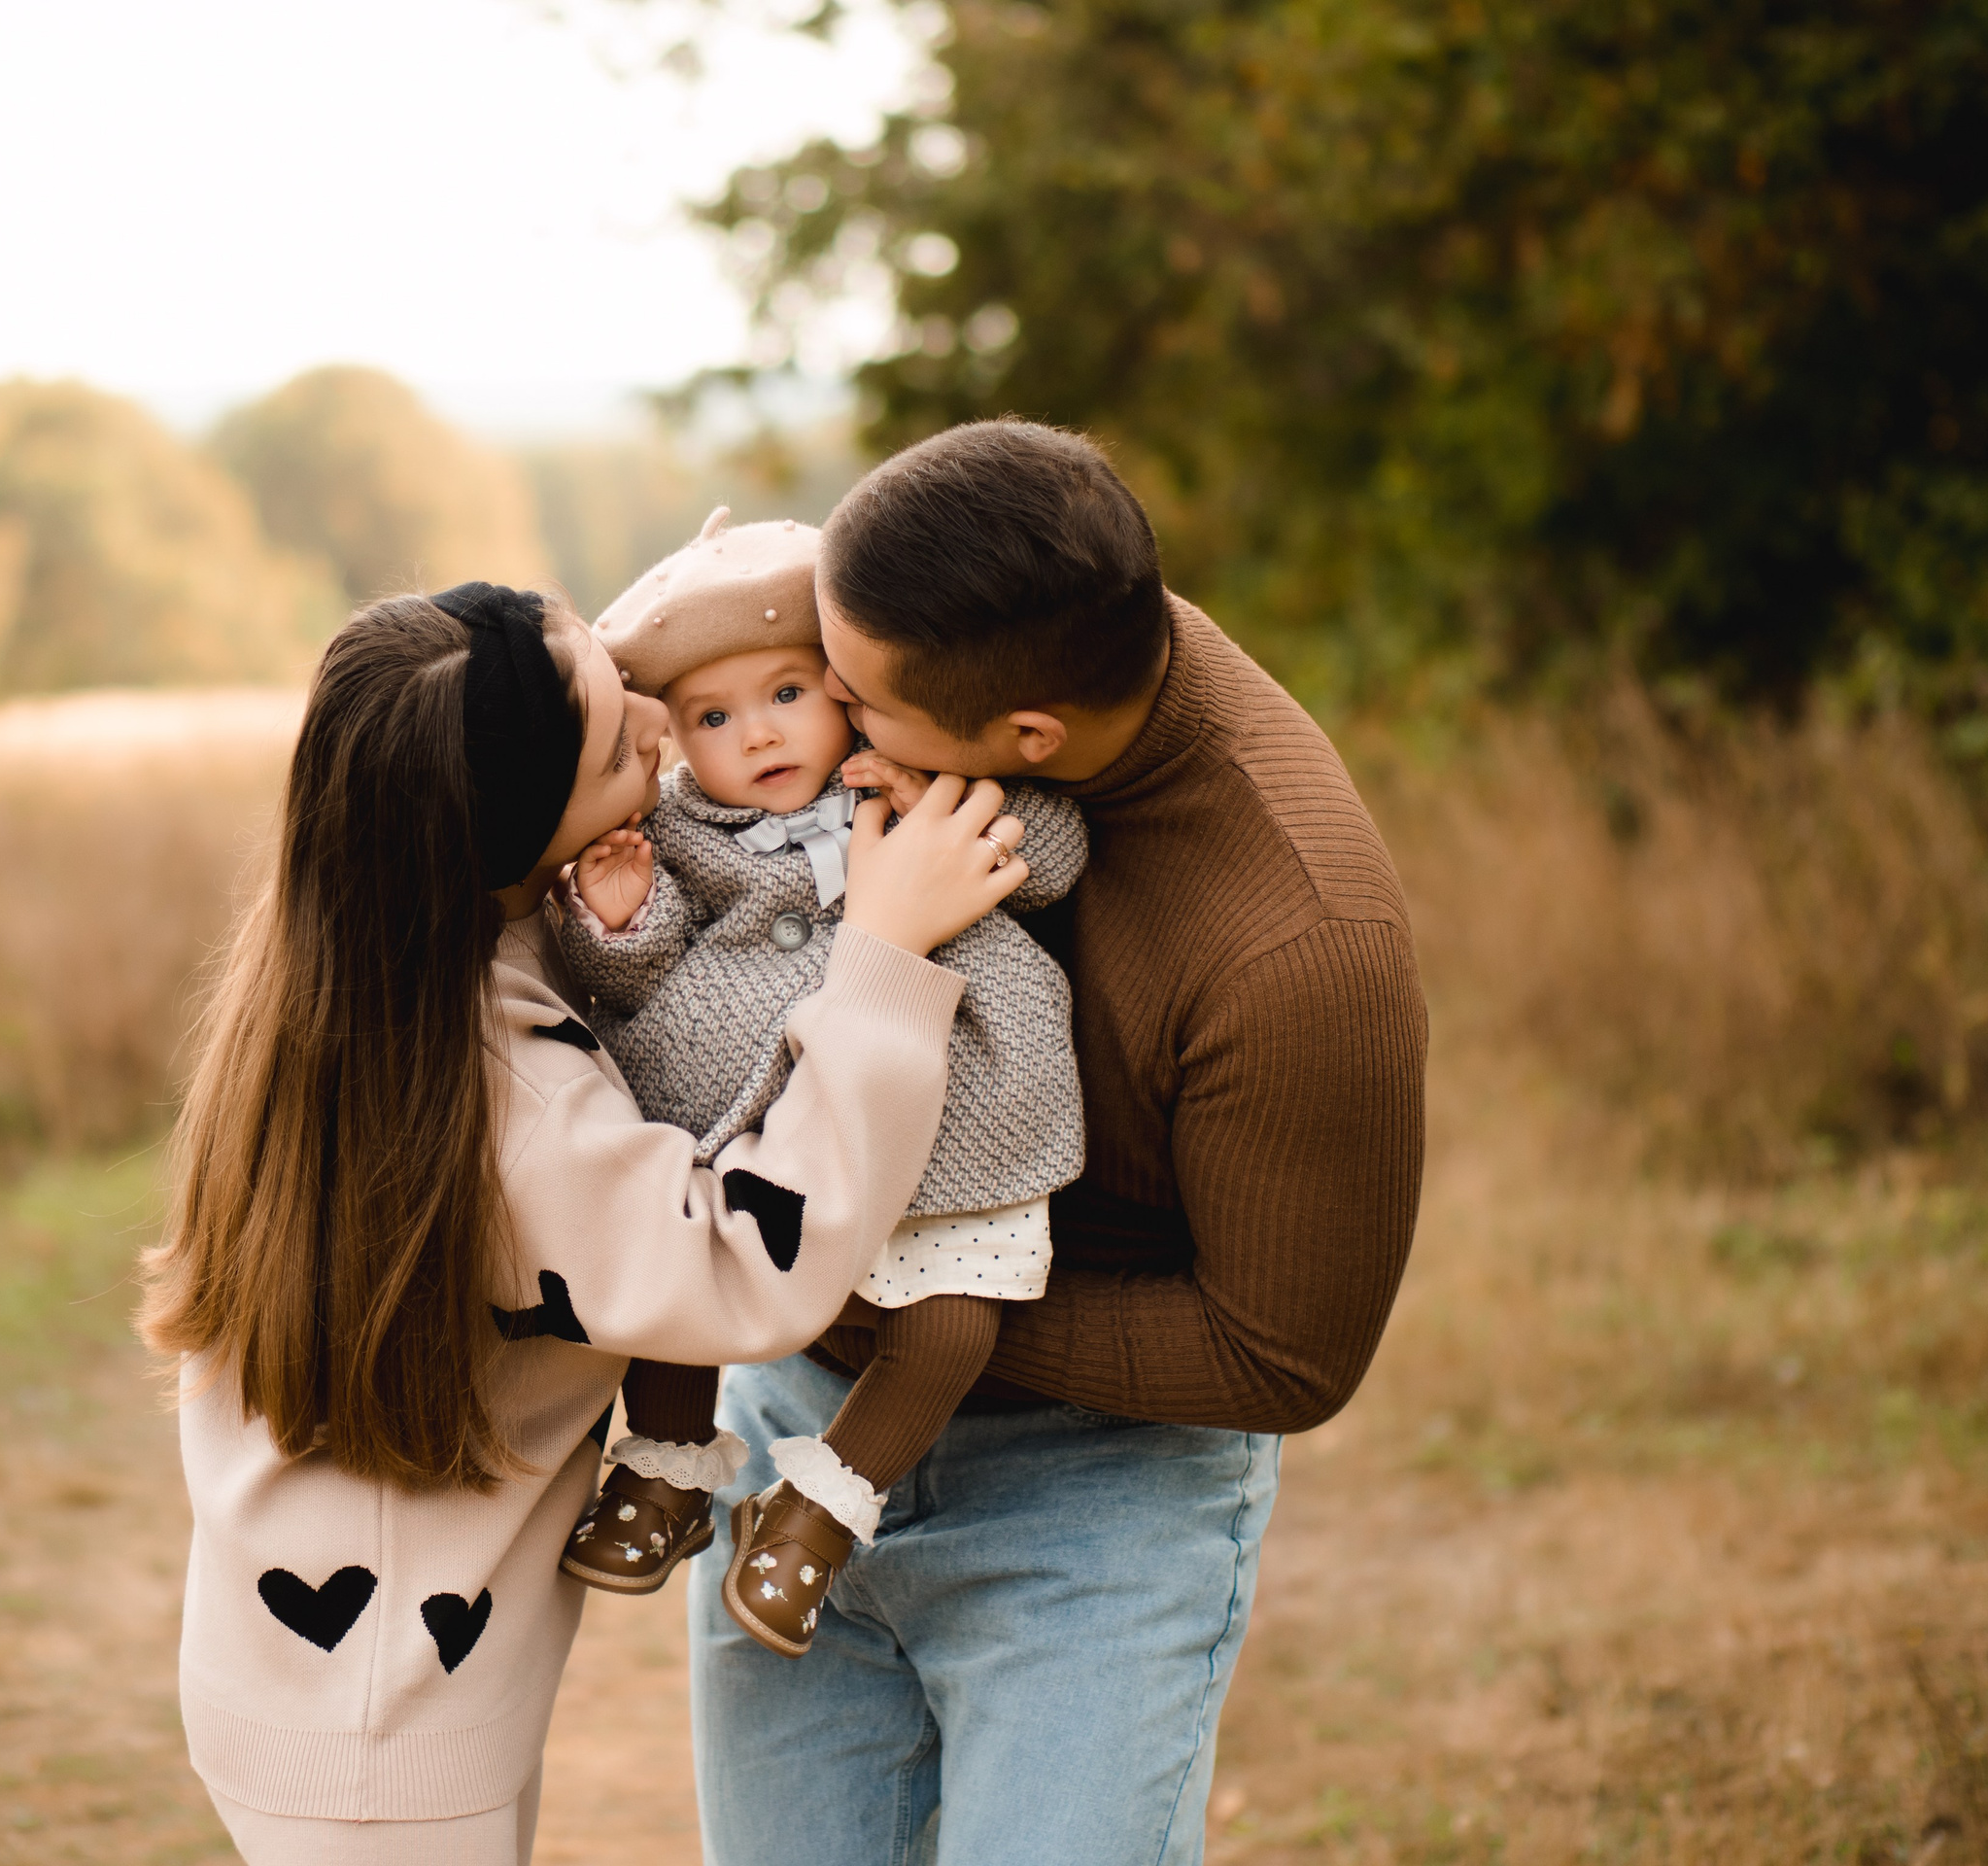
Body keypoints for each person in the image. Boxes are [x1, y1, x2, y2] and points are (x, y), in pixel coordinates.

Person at [135, 581, 1030, 1865]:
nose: (668, 734)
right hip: (384, 1738)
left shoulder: (352, 977)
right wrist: (883, 952)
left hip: (329, 1692)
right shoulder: (510, 1099)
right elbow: (739, 1266)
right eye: (624, 743)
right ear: (510, 832)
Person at [688, 423, 1431, 1865]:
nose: (819, 712)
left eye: (855, 696)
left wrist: (877, 1299)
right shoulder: (1001, 622)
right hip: (793, 1433)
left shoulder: (1299, 950)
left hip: (1092, 1509)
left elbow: (1289, 1358)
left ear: (1028, 742)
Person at [547, 509, 1087, 1658]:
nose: (760, 733)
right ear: (677, 742)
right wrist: (619, 914)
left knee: (952, 1324)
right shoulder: (681, 829)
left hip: (956, 1106)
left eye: (788, 692)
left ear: (845, 688)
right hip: (760, 1101)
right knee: (683, 1284)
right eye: (713, 716)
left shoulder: (925, 778)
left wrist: (957, 797)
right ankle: (664, 1466)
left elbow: (1055, 857)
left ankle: (822, 1508)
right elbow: (630, 974)